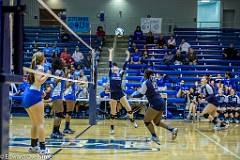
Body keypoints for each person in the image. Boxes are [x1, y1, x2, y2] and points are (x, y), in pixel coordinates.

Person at [131, 69, 178, 144]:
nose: (143, 75)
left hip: (155, 102)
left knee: (146, 121)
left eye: (144, 74)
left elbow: (140, 94)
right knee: (157, 122)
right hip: (161, 102)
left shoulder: (146, 82)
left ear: (146, 75)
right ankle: (172, 129)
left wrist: (133, 95)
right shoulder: (154, 80)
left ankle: (154, 136)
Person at [22, 52, 50, 154]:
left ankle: (33, 146)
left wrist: (40, 92)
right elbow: (38, 81)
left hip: (28, 94)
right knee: (41, 123)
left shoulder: (33, 66)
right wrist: (47, 75)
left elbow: (34, 83)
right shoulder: (40, 67)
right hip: (33, 96)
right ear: (42, 59)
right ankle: (43, 148)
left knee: (34, 123)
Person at [108, 48, 137, 134]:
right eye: (113, 67)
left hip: (120, 94)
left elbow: (125, 64)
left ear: (117, 68)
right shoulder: (110, 74)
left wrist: (128, 55)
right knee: (113, 113)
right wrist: (110, 52)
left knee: (129, 109)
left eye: (115, 67)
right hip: (113, 95)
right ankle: (112, 128)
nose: (114, 68)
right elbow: (109, 62)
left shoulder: (120, 74)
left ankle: (133, 121)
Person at [50, 68, 65, 139]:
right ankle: (54, 132)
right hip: (56, 95)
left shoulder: (63, 73)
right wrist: (60, 76)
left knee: (60, 114)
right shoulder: (57, 73)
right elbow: (54, 82)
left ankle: (57, 130)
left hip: (59, 95)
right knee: (58, 114)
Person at [63, 67, 77, 134]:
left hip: (72, 93)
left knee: (70, 112)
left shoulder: (71, 76)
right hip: (69, 94)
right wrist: (74, 81)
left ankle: (67, 127)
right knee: (68, 112)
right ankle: (66, 128)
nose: (72, 68)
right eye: (71, 67)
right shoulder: (66, 76)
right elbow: (67, 85)